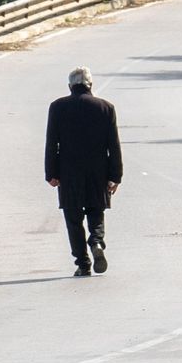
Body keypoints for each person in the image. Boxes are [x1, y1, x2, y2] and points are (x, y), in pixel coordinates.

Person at [44, 67, 123, 277]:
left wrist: (51, 173)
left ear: (70, 86)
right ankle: (96, 242)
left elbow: (52, 143)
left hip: (68, 172)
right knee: (96, 212)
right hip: (98, 171)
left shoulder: (58, 107)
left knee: (73, 219)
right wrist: (115, 176)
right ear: (91, 85)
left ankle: (83, 263)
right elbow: (113, 145)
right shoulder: (106, 107)